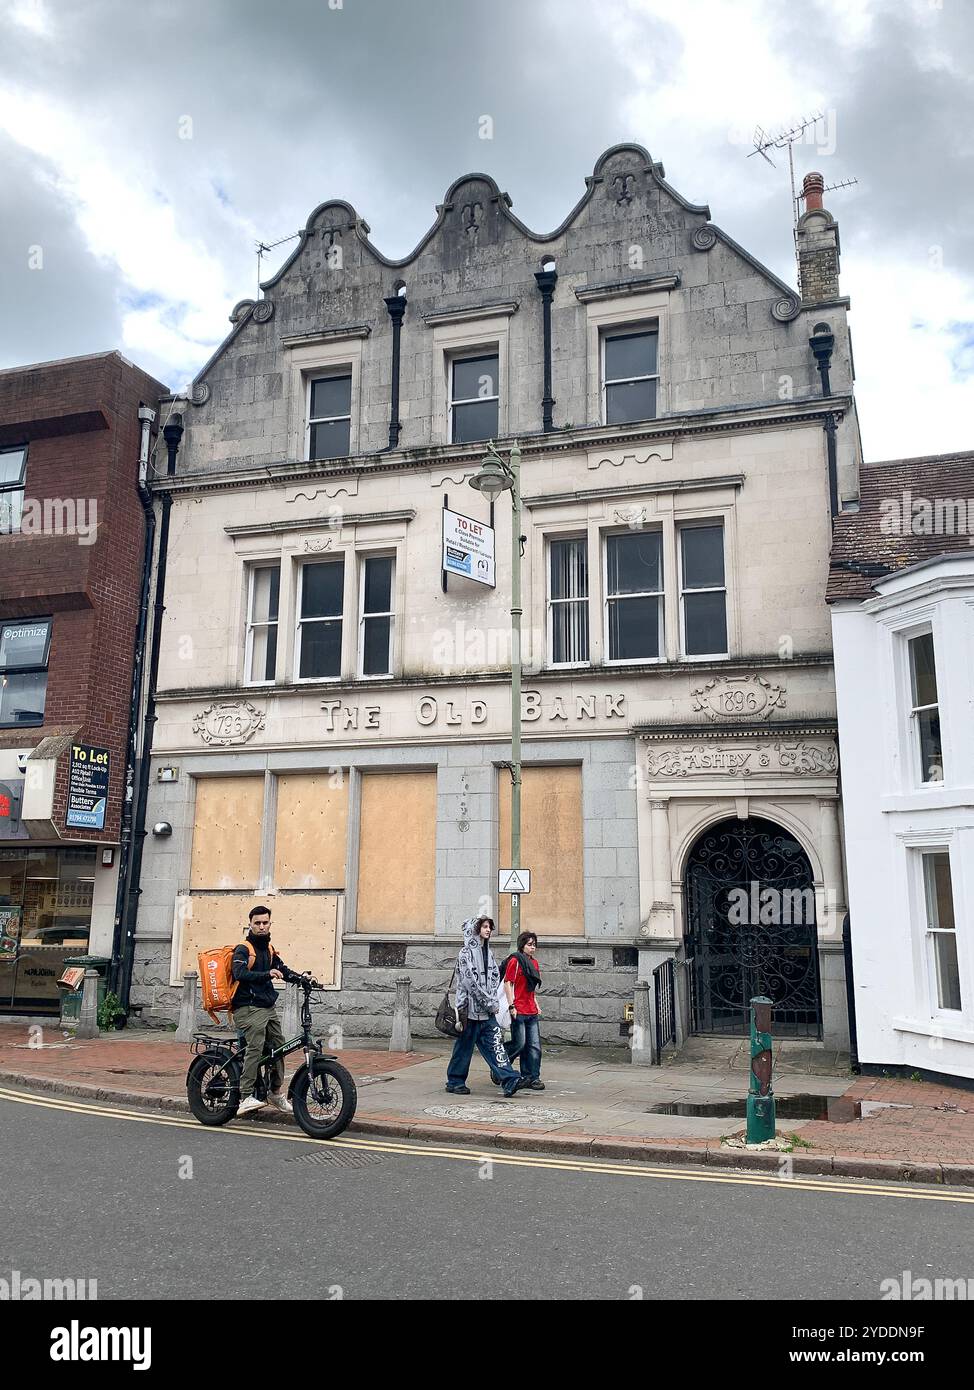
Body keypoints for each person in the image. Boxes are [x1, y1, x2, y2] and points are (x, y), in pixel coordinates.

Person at [232, 904, 306, 1116]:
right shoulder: (244, 949)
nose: (262, 927)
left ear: (270, 923)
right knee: (254, 1047)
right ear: (250, 924)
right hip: (248, 1007)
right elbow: (239, 973)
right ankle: (245, 1096)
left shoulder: (269, 950)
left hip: (267, 1007)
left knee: (278, 1047)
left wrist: (303, 979)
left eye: (265, 922)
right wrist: (266, 974)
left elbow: (283, 970)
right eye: (257, 923)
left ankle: (274, 1092)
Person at [446, 914, 526, 1098]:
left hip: (487, 1013)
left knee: (496, 1046)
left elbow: (493, 978)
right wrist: (490, 1003)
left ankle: (510, 1080)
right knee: (463, 1048)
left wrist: (493, 1001)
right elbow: (470, 984)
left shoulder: (488, 953)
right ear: (475, 930)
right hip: (469, 1012)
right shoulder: (465, 954)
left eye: (489, 926)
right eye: (484, 927)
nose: (488, 930)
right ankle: (455, 1081)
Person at [502, 931, 544, 1090]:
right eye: (529, 944)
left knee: (534, 1046)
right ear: (522, 945)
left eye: (534, 945)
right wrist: (511, 1005)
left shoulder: (535, 963)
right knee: (520, 1043)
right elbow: (508, 983)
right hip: (518, 1010)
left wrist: (536, 1003)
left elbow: (531, 988)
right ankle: (501, 1063)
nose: (532, 948)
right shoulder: (515, 961)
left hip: (531, 1010)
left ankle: (532, 1077)